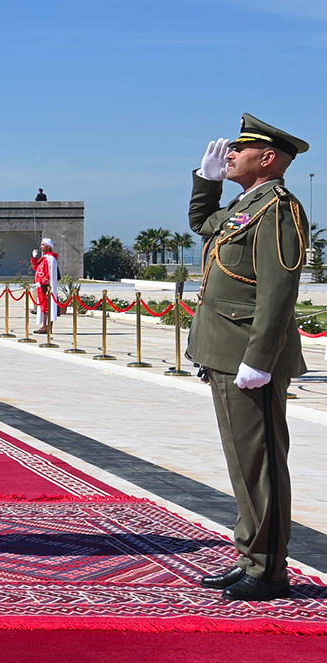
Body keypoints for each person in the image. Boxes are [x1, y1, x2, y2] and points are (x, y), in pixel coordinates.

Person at [187, 114, 310, 601]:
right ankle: (252, 558)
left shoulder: (279, 208)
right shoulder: (247, 205)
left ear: (268, 158)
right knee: (244, 464)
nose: (231, 154)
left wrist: (260, 358)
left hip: (248, 356)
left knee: (260, 464)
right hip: (224, 350)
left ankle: (268, 569)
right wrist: (206, 182)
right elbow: (202, 225)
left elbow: (278, 292)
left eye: (242, 149)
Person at [31, 238, 59, 334]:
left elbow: (49, 274)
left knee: (47, 307)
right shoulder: (44, 258)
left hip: (47, 287)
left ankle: (47, 327)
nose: (41, 246)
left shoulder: (50, 259)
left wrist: (42, 282)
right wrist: (34, 258)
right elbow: (35, 267)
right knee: (43, 307)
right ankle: (44, 326)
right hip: (41, 287)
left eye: (43, 245)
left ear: (48, 246)